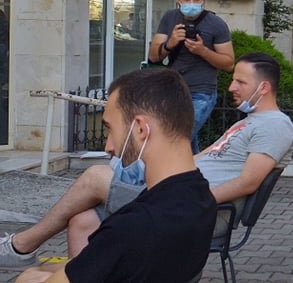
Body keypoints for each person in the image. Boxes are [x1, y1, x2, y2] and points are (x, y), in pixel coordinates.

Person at [0, 52, 293, 266]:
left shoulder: (275, 126)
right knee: (83, 219)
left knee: (96, 177)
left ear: (264, 87)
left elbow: (248, 182)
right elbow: (196, 159)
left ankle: (22, 246)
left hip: (195, 210)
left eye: (240, 82)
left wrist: (189, 199)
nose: (231, 87)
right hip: (176, 197)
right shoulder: (249, 122)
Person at [11, 69, 217, 282]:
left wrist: (28, 276)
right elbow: (95, 263)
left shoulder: (134, 227)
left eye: (110, 129)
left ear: (140, 129)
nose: (109, 146)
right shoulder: (202, 198)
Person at [148, 0, 235, 153]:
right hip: (174, 91)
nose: (191, 3)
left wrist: (203, 51)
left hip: (201, 92)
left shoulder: (216, 24)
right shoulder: (170, 18)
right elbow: (153, 57)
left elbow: (229, 63)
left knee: (177, 137)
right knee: (186, 142)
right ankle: (193, 169)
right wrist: (170, 44)